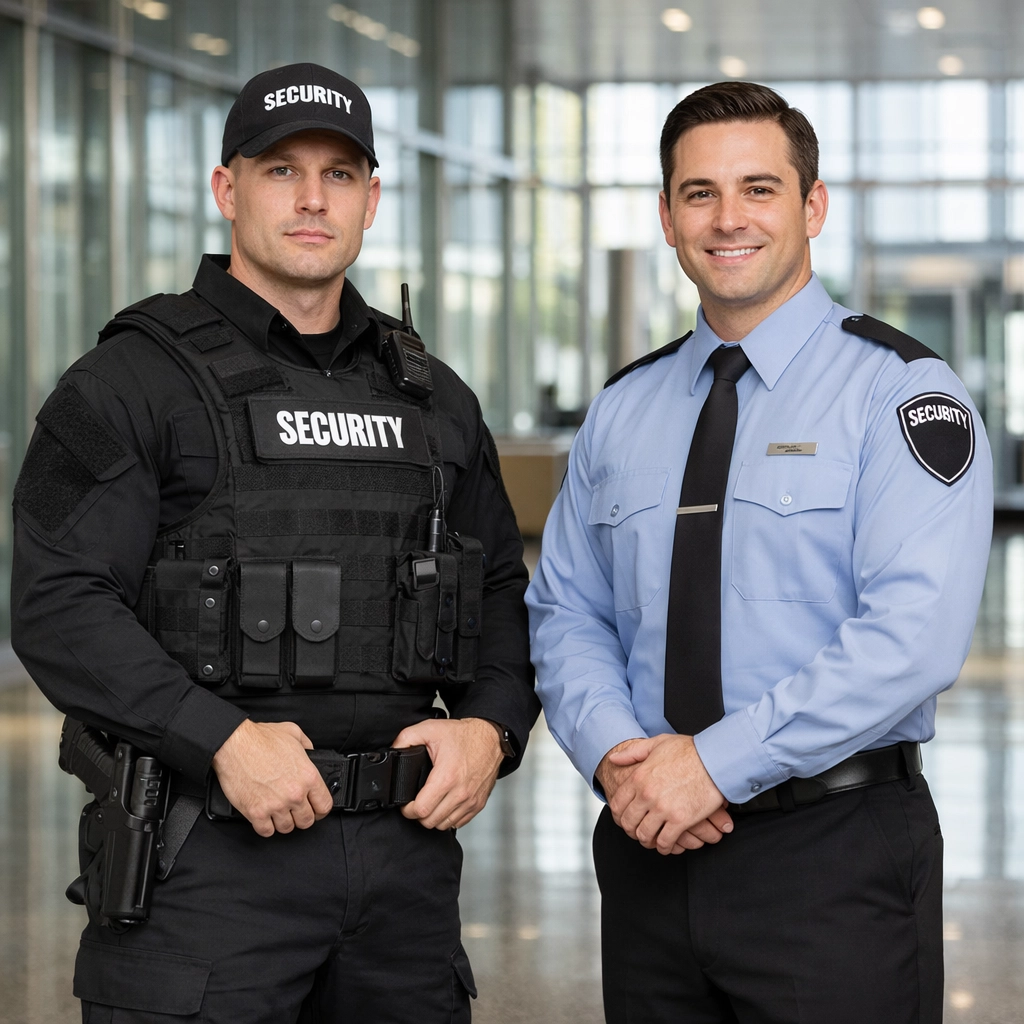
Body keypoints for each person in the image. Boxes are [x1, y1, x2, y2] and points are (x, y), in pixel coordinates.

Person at [12, 62, 538, 1022]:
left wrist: (489, 731)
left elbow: (501, 591)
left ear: (371, 200)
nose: (310, 197)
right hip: (203, 864)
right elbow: (59, 605)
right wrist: (217, 739)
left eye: (339, 174)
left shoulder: (434, 400)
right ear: (226, 189)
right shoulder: (125, 383)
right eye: (279, 169)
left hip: (402, 873)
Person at [526, 81, 993, 1024]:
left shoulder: (900, 394)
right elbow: (566, 610)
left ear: (812, 205)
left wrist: (712, 766)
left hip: (833, 855)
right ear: (666, 216)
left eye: (759, 188)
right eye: (699, 193)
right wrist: (620, 755)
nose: (727, 218)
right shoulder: (624, 407)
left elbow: (911, 638)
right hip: (651, 852)